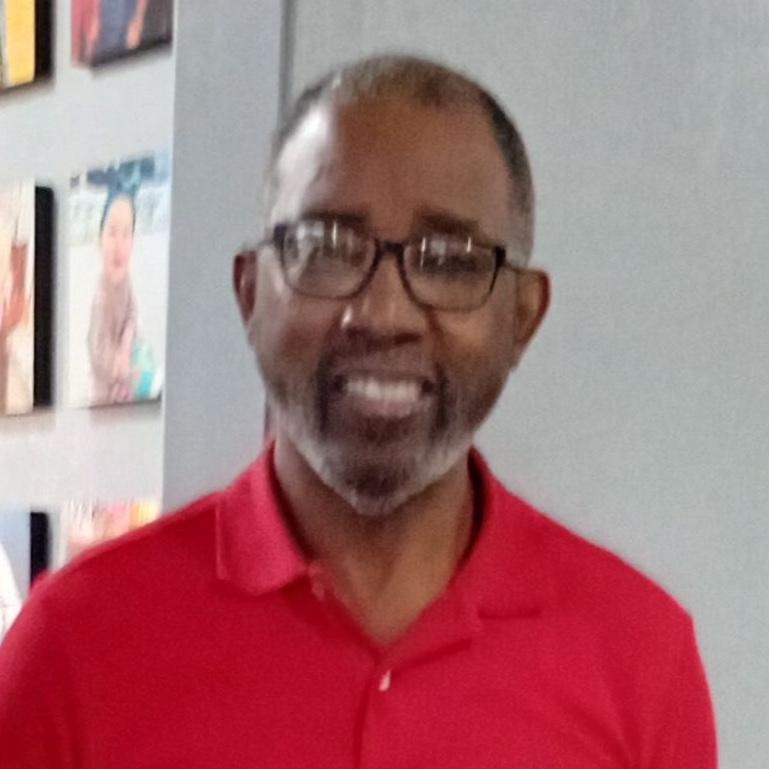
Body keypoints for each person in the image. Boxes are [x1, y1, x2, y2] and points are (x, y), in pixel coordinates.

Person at [0, 55, 717, 767]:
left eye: (449, 259)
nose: (382, 313)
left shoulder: (640, 656)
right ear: (250, 293)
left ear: (522, 317)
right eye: (325, 247)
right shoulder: (74, 645)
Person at [87, 191, 138, 404]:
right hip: (104, 393)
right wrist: (118, 365)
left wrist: (127, 340)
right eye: (112, 232)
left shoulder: (126, 282)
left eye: (126, 234)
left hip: (123, 383)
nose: (119, 244)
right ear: (99, 240)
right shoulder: (101, 297)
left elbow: (132, 313)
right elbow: (97, 349)